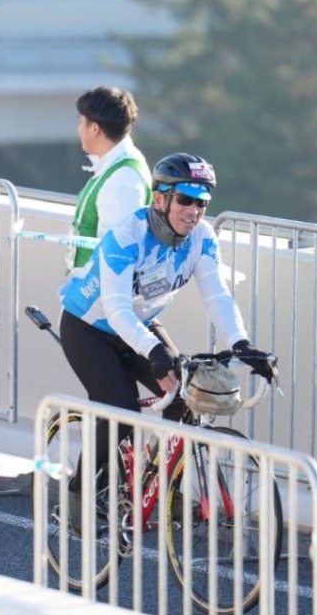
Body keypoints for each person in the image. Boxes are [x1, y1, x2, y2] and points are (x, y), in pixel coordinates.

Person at [56, 153, 274, 529]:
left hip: (140, 325)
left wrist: (240, 343)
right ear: (160, 199)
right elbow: (117, 308)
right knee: (121, 411)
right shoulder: (127, 236)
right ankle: (79, 492)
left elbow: (217, 295)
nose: (194, 211)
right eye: (185, 199)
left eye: (202, 202)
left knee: (182, 399)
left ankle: (165, 489)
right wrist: (155, 350)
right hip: (89, 327)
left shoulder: (202, 238)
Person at [67, 86, 151, 269]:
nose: (79, 130)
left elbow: (117, 255)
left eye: (81, 122)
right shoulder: (114, 165)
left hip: (97, 286)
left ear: (94, 129)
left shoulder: (123, 178)